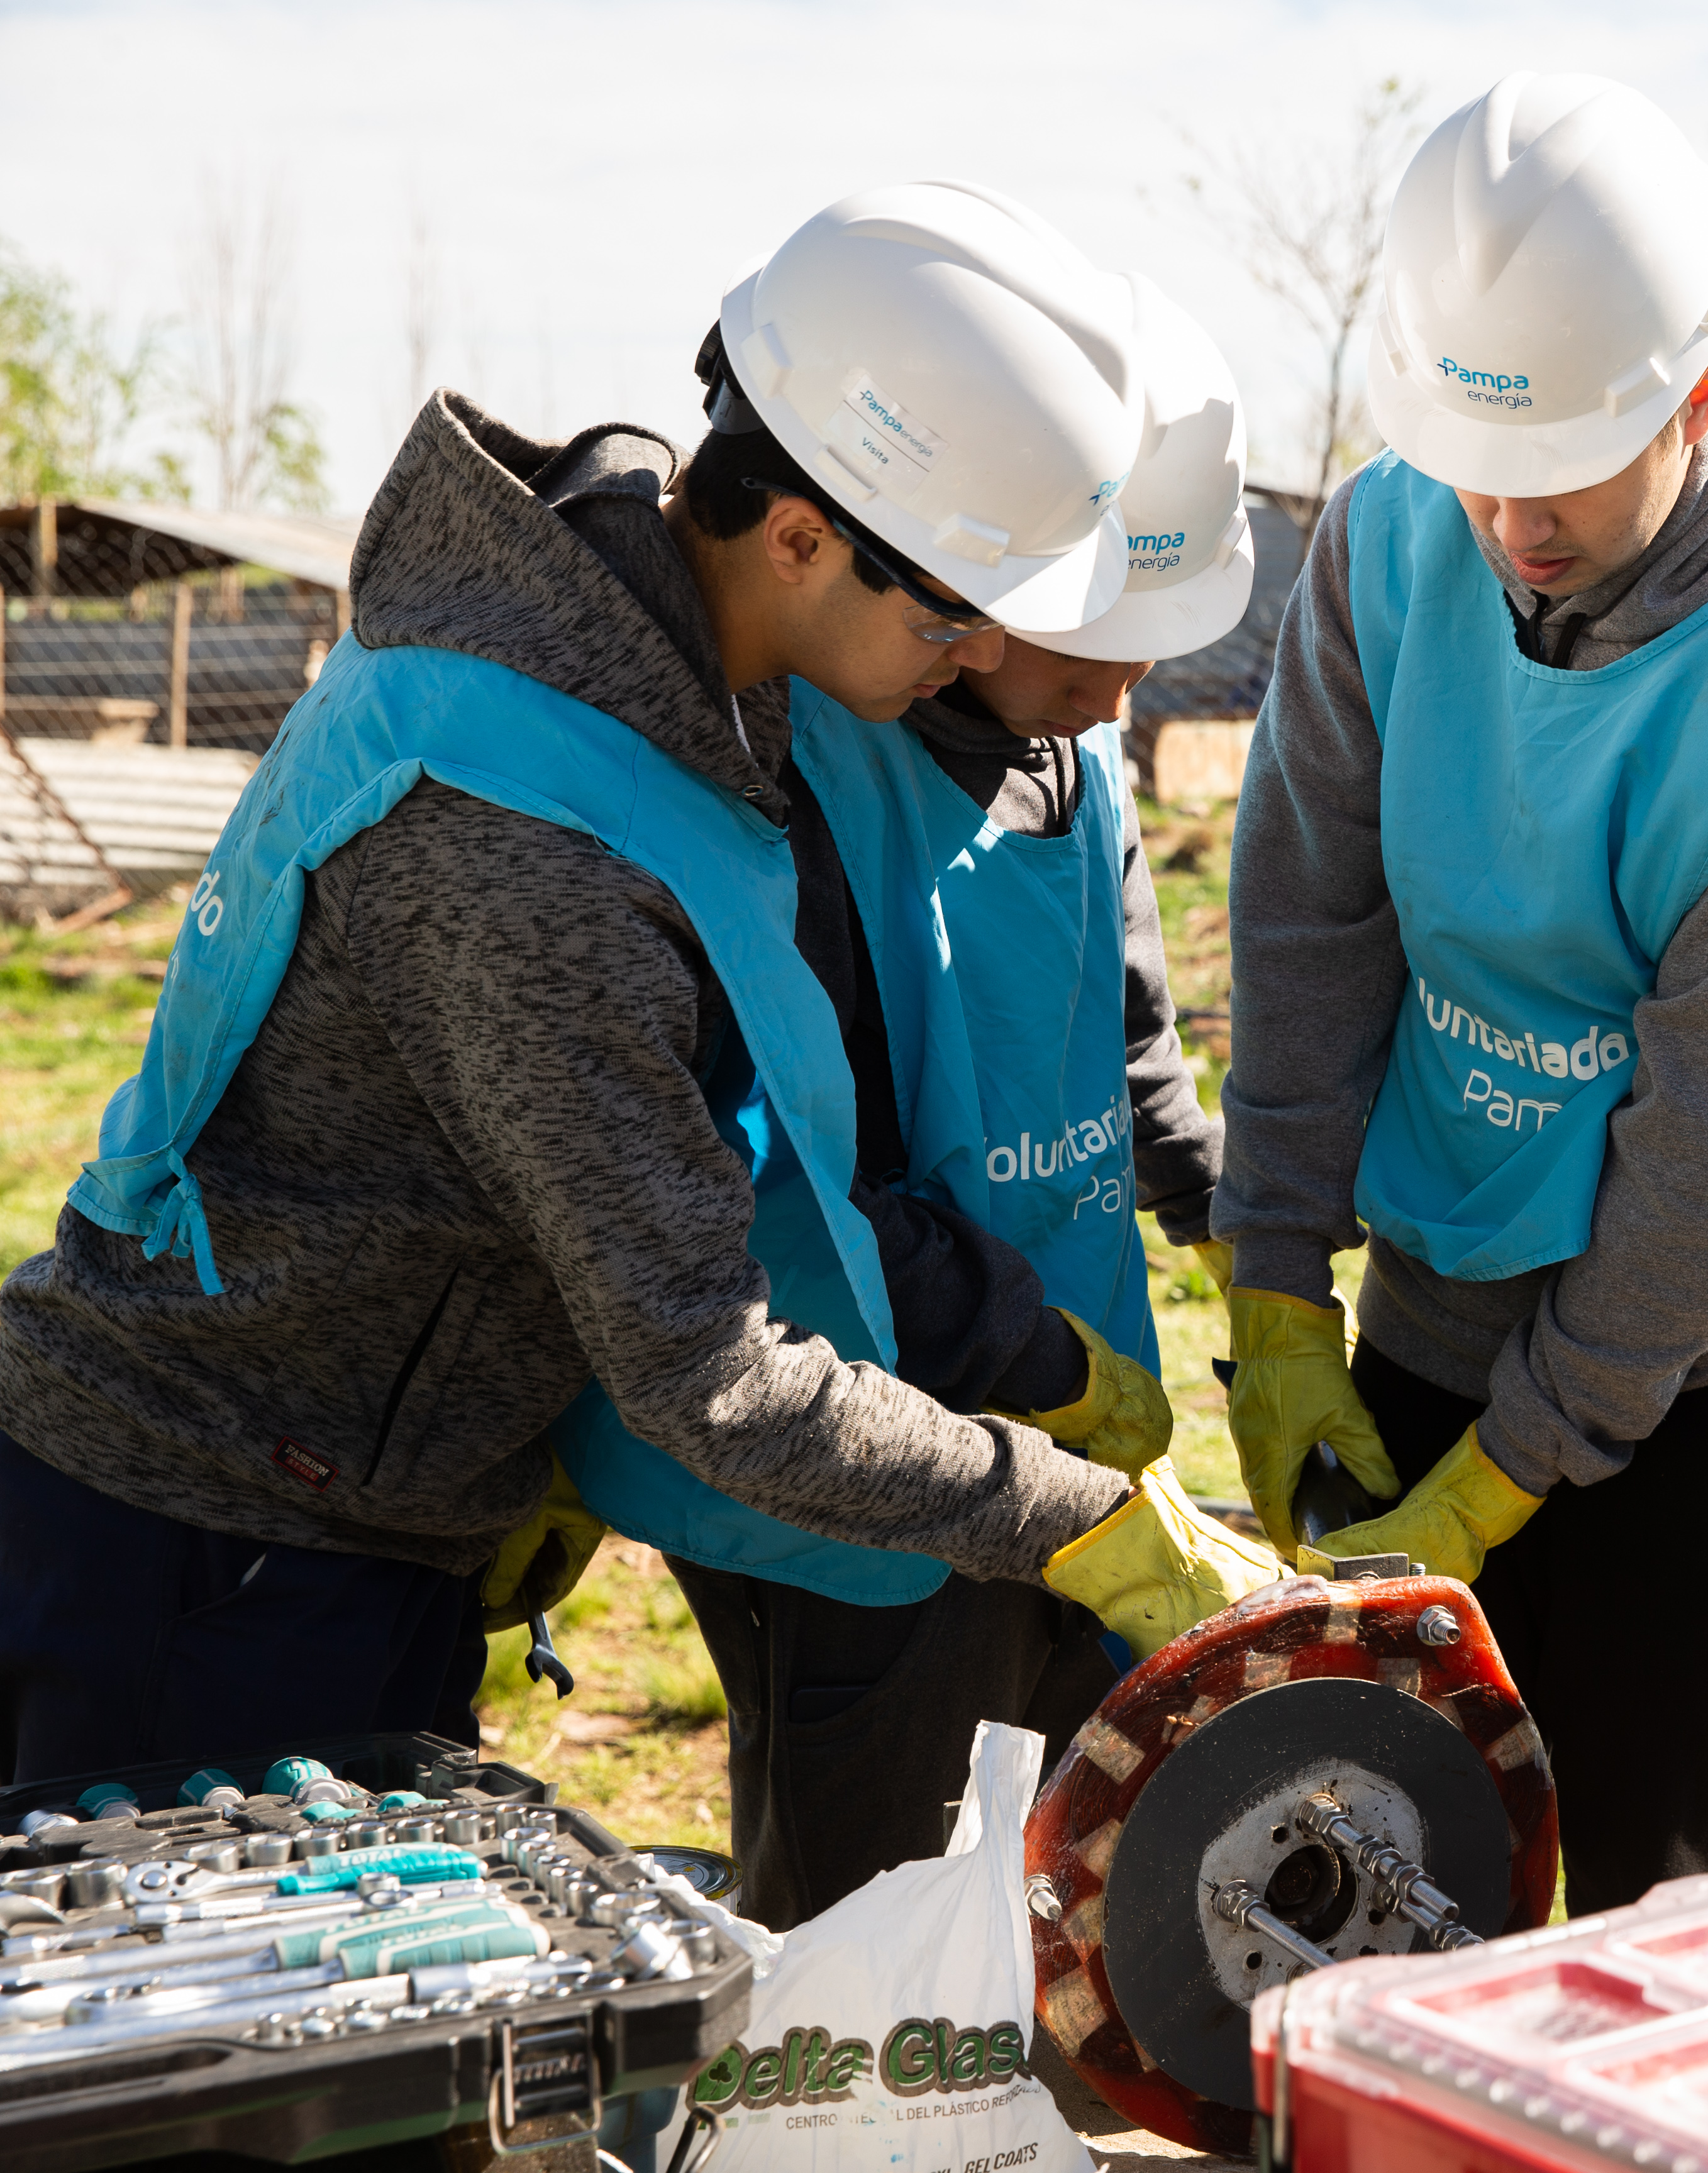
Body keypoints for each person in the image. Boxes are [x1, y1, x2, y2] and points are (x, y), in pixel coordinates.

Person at [0, 183, 1273, 1791]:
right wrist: (1078, 1524)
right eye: (958, 611)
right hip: (225, 1519)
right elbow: (713, 1377)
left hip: (376, 1481)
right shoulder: (532, 841)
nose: (977, 658)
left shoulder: (633, 664)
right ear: (799, 535)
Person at [1215, 72, 1708, 1915]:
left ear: (1702, 397)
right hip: (1451, 1270)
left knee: (1654, 1915)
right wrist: (1275, 1281)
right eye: (1474, 465)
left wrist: (1511, 1481)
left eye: (1561, 470)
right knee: (1381, 1873)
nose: (1510, 526)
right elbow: (1313, 919)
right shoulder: (1396, 535)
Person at [646, 275, 1258, 1926]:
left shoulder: (1084, 756)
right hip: (881, 1465)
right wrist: (1039, 1365)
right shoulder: (812, 768)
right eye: (1099, 647)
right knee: (879, 1919)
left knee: (1050, 1886)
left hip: (1070, 1438)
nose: (1126, 699)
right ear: (991, 571)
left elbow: (1127, 1044)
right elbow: (812, 1192)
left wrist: (1240, 1249)